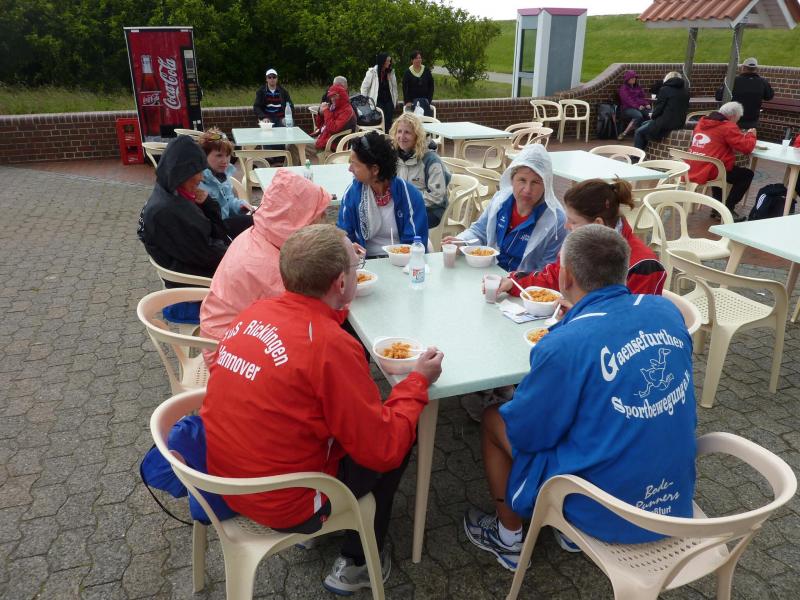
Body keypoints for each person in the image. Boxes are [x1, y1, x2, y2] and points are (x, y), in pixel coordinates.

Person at [201, 224, 444, 594]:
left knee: (335, 419)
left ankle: (324, 534)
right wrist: (418, 382)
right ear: (340, 282)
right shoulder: (330, 346)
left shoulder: (255, 312)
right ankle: (359, 560)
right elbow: (383, 447)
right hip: (284, 503)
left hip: (223, 482)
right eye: (355, 265)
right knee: (401, 434)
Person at [464, 224, 697, 570]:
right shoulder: (665, 311)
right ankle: (568, 535)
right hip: (674, 501)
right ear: (623, 270)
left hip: (607, 507)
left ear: (566, 277)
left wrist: (566, 332)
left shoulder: (563, 344)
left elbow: (528, 433)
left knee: (494, 417)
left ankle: (508, 537)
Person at [199, 170, 331, 362]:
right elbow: (309, 311)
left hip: (229, 333)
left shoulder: (261, 235)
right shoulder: (272, 267)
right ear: (296, 218)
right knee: (328, 345)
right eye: (317, 215)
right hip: (231, 355)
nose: (324, 221)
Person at [498, 178, 666, 299]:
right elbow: (555, 277)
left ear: (597, 224)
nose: (566, 226)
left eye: (573, 222)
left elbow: (635, 322)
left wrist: (578, 313)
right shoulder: (580, 243)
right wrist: (515, 284)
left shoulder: (644, 266)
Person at [442, 144, 566, 273]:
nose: (527, 189)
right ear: (512, 180)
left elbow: (548, 271)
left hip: (523, 283)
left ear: (546, 185)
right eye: (522, 180)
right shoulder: (500, 201)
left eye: (535, 182)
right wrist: (461, 242)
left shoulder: (557, 222)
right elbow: (480, 231)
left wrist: (514, 282)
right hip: (490, 272)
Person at [138, 135, 229, 279]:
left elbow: (209, 239)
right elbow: (210, 255)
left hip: (192, 263)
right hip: (197, 278)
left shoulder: (170, 192)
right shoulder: (169, 211)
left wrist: (207, 203)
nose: (201, 178)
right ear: (182, 173)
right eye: (198, 172)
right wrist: (238, 255)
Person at [337, 131, 428, 256]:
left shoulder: (410, 196)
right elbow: (344, 234)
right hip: (364, 262)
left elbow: (415, 243)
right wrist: (350, 249)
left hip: (401, 260)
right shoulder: (352, 194)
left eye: (355, 164)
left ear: (375, 169)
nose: (350, 169)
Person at [686, 101, 756, 219]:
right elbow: (746, 148)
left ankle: (717, 208)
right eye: (738, 118)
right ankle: (727, 209)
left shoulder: (702, 122)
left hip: (692, 166)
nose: (737, 121)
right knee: (746, 175)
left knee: (720, 167)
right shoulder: (728, 126)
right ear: (733, 116)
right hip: (709, 169)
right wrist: (751, 135)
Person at [389, 112, 449, 227]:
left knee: (401, 223)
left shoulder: (431, 160)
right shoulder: (393, 157)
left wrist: (407, 201)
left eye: (407, 132)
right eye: (399, 131)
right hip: (403, 206)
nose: (402, 136)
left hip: (431, 210)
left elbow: (437, 196)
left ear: (417, 136)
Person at [198, 128, 254, 239]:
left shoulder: (223, 174)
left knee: (258, 220)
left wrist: (240, 206)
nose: (225, 161)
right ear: (204, 156)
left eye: (227, 155)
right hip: (211, 232)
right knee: (253, 223)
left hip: (224, 223)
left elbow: (228, 202)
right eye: (219, 155)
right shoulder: (198, 181)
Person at [634, 71, 690, 153]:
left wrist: (652, 115)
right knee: (644, 124)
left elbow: (659, 108)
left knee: (638, 132)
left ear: (667, 78)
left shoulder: (665, 90)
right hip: (679, 122)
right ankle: (644, 151)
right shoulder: (685, 91)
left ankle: (636, 156)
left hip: (666, 122)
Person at [715, 57, 774, 130]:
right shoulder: (763, 82)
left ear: (743, 67)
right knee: (749, 137)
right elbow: (769, 96)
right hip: (752, 120)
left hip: (734, 119)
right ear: (756, 69)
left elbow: (718, 96)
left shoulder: (734, 81)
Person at [312, 83, 356, 152]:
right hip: (322, 138)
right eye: (331, 97)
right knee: (296, 144)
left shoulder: (347, 111)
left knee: (298, 146)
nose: (332, 99)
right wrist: (320, 114)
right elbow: (319, 125)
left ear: (342, 96)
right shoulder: (334, 107)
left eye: (335, 96)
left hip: (332, 145)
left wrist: (326, 111)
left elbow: (333, 129)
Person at [361, 52, 398, 131]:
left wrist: (395, 101)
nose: (389, 63)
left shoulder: (391, 72)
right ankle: (381, 135)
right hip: (377, 100)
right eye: (387, 61)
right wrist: (366, 101)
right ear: (382, 61)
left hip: (388, 100)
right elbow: (364, 88)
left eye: (390, 61)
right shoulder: (372, 72)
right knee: (381, 119)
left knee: (389, 120)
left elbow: (394, 88)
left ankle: (388, 135)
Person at [617, 69, 651, 140]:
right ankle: (624, 133)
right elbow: (628, 100)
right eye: (632, 78)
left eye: (634, 77)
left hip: (640, 107)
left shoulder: (638, 87)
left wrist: (646, 104)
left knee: (651, 113)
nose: (634, 79)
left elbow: (642, 97)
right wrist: (637, 106)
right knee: (638, 116)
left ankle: (647, 133)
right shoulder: (624, 88)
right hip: (627, 108)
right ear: (627, 79)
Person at [402, 50, 435, 115]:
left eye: (420, 58)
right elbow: (405, 88)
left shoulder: (426, 70)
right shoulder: (408, 72)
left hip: (425, 101)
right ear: (412, 60)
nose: (418, 60)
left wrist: (429, 99)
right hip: (412, 102)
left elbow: (431, 85)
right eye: (416, 58)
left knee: (425, 119)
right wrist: (407, 101)